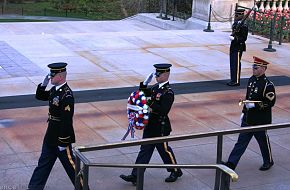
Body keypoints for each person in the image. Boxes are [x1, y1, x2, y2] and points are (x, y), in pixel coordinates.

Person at [120, 63, 182, 185]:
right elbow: (142, 94)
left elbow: (163, 110)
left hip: (160, 126)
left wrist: (149, 103)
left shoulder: (168, 92)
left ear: (165, 75)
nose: (156, 77)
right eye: (156, 74)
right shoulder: (155, 88)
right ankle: (135, 176)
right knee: (145, 150)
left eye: (158, 75)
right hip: (150, 125)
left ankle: (175, 170)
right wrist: (144, 84)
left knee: (164, 150)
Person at [28, 62, 80, 190]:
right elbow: (40, 96)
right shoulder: (55, 90)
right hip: (51, 135)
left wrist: (63, 142)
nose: (50, 76)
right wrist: (44, 84)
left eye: (52, 74)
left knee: (72, 168)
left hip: (61, 139)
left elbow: (66, 121)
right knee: (43, 165)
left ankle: (83, 188)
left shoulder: (66, 95)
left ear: (61, 76)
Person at [224, 56, 276, 171]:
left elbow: (270, 103)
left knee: (263, 142)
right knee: (241, 143)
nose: (254, 69)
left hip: (260, 120)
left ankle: (268, 161)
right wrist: (244, 112)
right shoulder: (252, 80)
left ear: (263, 68)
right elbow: (248, 98)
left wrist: (256, 105)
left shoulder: (268, 85)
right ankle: (231, 163)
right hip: (248, 118)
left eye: (256, 67)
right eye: (253, 67)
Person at [227, 8, 249, 86]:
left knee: (236, 64)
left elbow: (244, 38)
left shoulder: (244, 26)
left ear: (241, 15)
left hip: (239, 47)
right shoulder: (236, 23)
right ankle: (233, 79)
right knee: (233, 64)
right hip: (233, 46)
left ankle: (236, 81)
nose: (235, 16)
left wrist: (235, 38)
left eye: (237, 15)